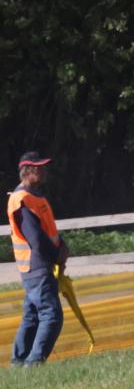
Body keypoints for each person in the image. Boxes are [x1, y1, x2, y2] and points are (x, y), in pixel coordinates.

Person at [8, 152, 69, 366]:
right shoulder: (22, 200)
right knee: (51, 315)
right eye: (38, 168)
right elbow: (35, 238)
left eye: (43, 167)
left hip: (39, 266)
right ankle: (33, 362)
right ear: (27, 172)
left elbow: (47, 230)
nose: (44, 171)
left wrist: (62, 246)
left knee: (32, 316)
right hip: (37, 266)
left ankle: (19, 361)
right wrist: (56, 255)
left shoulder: (35, 197)